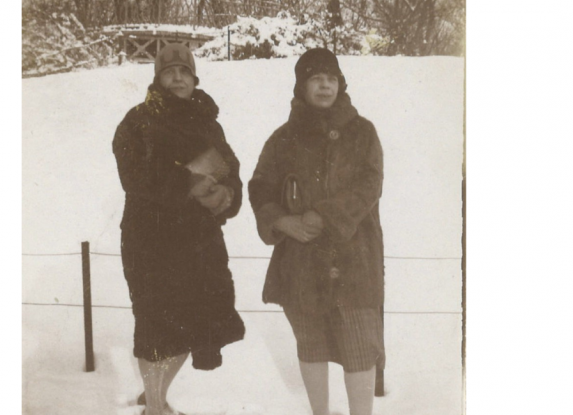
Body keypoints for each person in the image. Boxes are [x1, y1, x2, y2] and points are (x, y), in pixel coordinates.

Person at [248, 48, 386, 415]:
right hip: (301, 259)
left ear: (341, 84)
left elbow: (370, 185)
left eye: (331, 78)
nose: (325, 85)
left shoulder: (363, 132)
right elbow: (260, 186)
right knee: (311, 343)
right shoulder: (282, 138)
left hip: (354, 259)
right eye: (316, 78)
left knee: (359, 345)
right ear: (302, 85)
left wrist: (325, 215)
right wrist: (281, 220)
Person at [113, 43, 245, 415]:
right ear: (158, 78)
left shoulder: (208, 121)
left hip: (199, 246)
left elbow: (231, 168)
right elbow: (134, 176)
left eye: (184, 71)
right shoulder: (136, 121)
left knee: (192, 328)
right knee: (156, 330)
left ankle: (154, 393)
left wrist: (224, 194)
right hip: (151, 241)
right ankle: (155, 408)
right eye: (169, 71)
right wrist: (191, 183)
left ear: (194, 78)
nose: (177, 77)